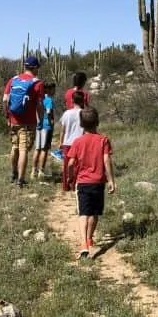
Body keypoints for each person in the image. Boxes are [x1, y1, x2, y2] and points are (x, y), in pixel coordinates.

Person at [66, 106, 115, 258]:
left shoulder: (78, 142)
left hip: (83, 182)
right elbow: (106, 160)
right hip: (98, 182)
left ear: (81, 124)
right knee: (94, 213)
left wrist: (70, 177)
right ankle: (89, 238)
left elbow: (70, 163)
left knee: (83, 214)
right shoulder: (103, 140)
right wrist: (111, 180)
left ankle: (83, 244)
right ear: (98, 122)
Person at [3, 55, 45, 188]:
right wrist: (41, 119)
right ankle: (21, 179)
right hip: (28, 122)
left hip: (13, 120)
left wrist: (7, 116)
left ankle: (14, 173)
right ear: (35, 68)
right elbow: (39, 105)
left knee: (14, 147)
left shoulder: (13, 80)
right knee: (23, 150)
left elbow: (5, 99)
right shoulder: (37, 83)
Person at [55, 90, 86, 193]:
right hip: (80, 142)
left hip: (67, 143)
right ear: (83, 101)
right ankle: (75, 185)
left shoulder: (67, 113)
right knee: (78, 165)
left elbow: (63, 130)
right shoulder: (84, 113)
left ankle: (66, 186)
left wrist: (61, 142)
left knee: (66, 165)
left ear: (72, 100)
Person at [31, 81, 57, 180]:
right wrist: (51, 122)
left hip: (39, 125)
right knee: (44, 149)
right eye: (53, 89)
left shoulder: (40, 99)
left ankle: (33, 171)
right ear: (49, 89)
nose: (54, 91)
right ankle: (41, 171)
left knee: (37, 149)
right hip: (47, 125)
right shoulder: (49, 99)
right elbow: (49, 111)